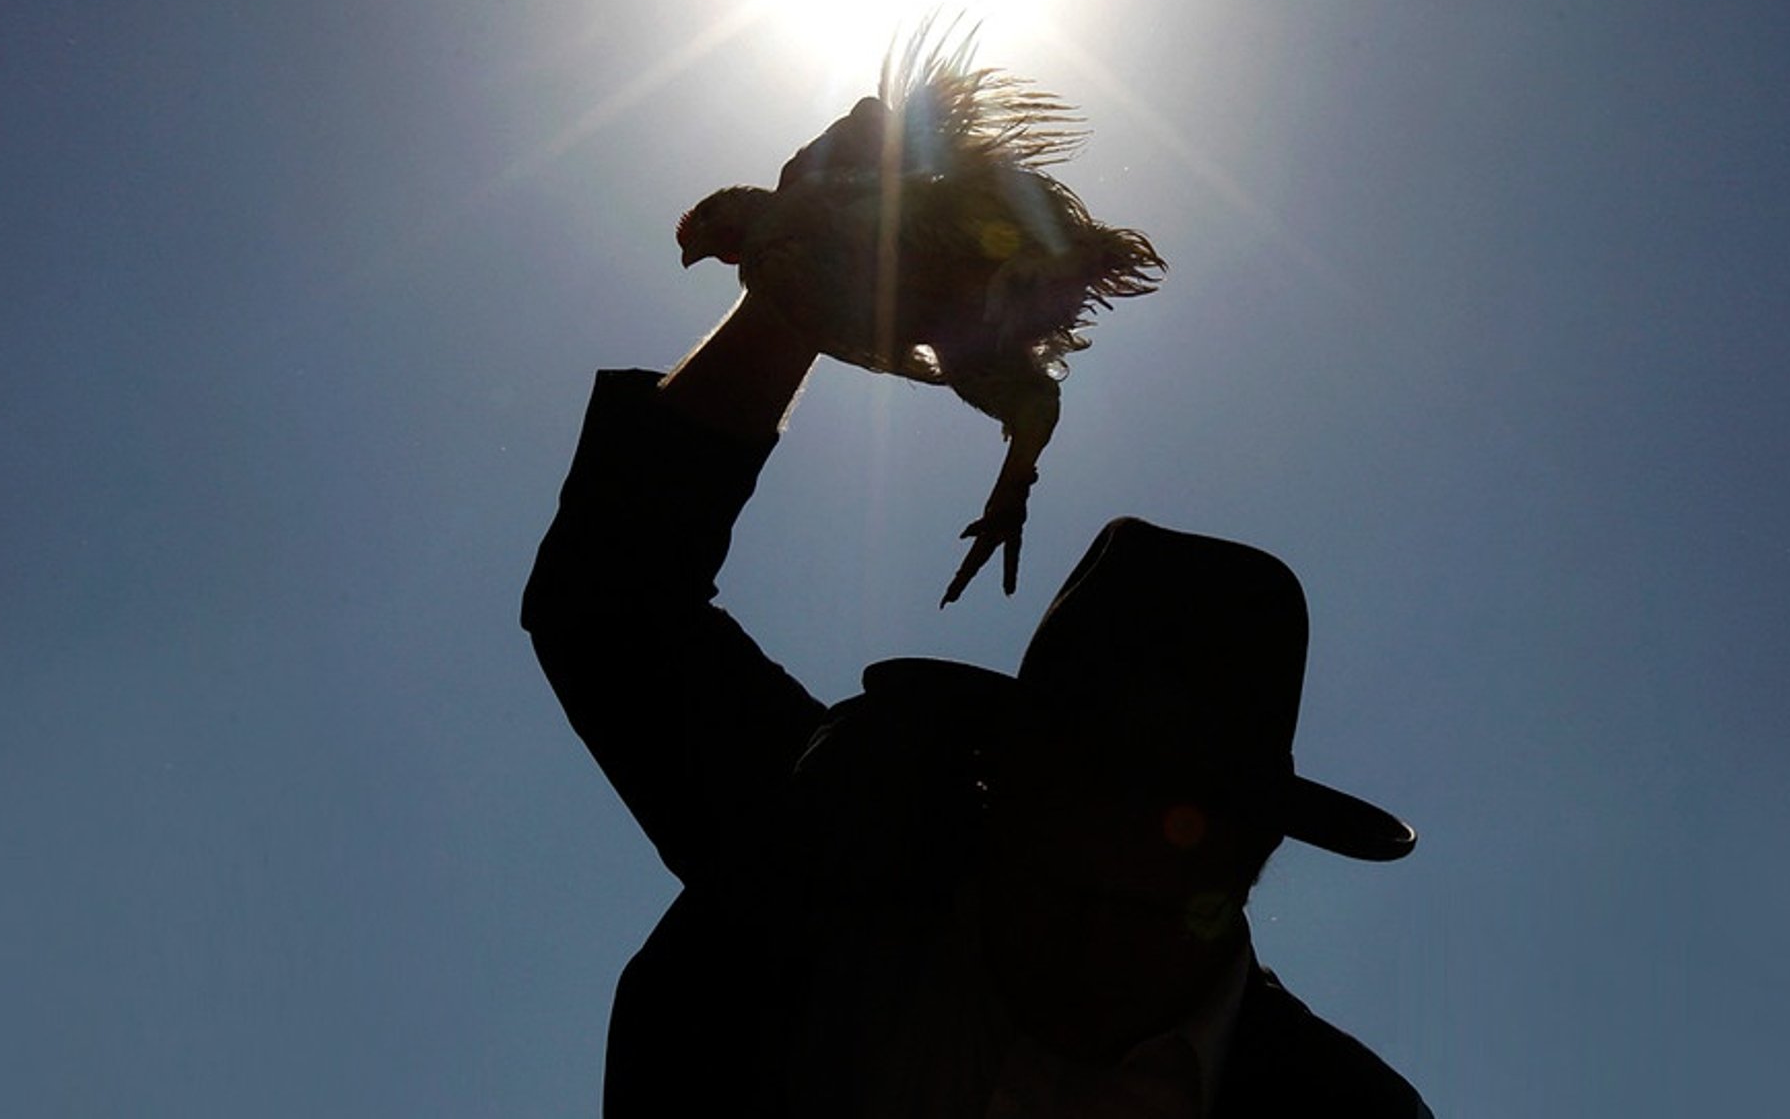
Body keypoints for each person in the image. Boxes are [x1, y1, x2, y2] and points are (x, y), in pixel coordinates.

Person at [522, 125, 1431, 1119]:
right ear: (995, 796)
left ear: (1248, 865)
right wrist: (793, 294)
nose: (1086, 947)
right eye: (1052, 877)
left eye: (1150, 907)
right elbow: (613, 600)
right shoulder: (841, 875)